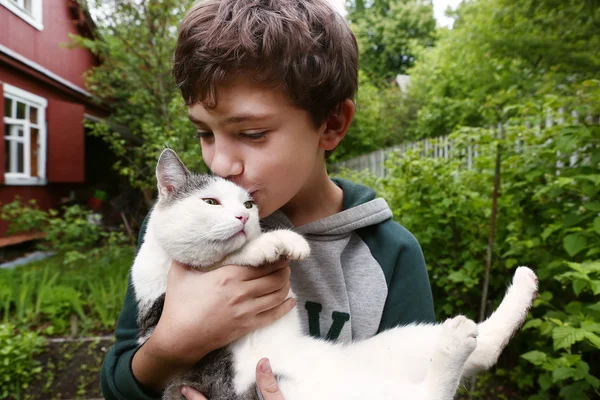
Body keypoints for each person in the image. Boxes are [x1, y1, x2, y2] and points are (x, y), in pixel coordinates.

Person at [100, 1, 435, 399]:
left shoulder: (390, 254)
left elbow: (424, 384)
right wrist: (171, 346)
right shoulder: (183, 229)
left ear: (331, 124)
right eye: (204, 134)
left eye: (253, 133)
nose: (219, 163)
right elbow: (118, 379)